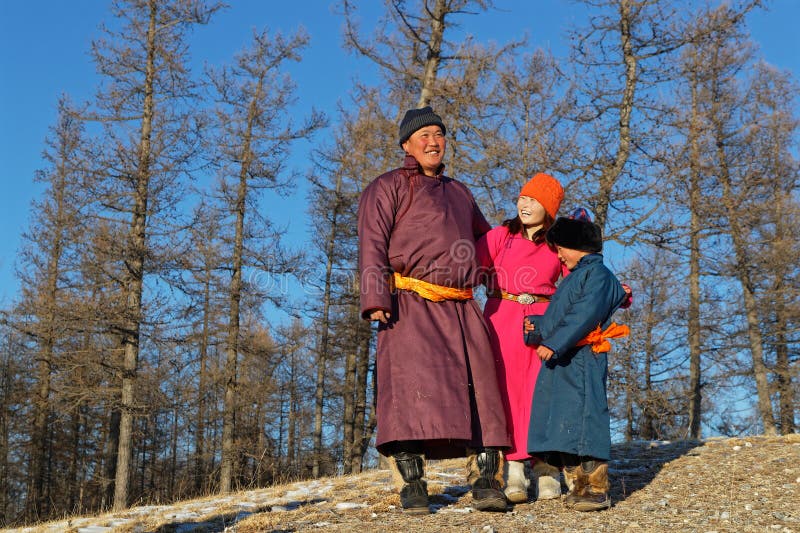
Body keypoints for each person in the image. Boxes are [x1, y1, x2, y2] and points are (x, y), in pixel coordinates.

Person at [357, 106, 510, 514]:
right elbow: (371, 243)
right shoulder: (387, 186)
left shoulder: (459, 192)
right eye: (423, 134)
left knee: (483, 390)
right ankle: (413, 486)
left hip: (461, 305)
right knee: (410, 393)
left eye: (438, 134)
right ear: (406, 143)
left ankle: (485, 480)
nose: (432, 141)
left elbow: (489, 243)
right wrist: (375, 299)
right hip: (409, 304)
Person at [522, 208, 630, 511]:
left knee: (586, 419)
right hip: (565, 359)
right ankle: (579, 486)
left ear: (577, 246)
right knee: (563, 422)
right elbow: (563, 315)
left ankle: (597, 488)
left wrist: (554, 343)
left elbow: (584, 315)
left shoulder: (598, 275)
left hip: (581, 358)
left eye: (561, 249)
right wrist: (536, 330)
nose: (559, 257)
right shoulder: (577, 276)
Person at [475, 172, 568, 504]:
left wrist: (614, 292)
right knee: (508, 394)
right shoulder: (502, 236)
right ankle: (514, 470)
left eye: (535, 200)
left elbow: (580, 278)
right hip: (502, 318)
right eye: (523, 198)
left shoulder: (559, 243)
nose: (526, 205)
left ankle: (547, 470)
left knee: (543, 393)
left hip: (544, 321)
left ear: (550, 208)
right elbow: (468, 264)